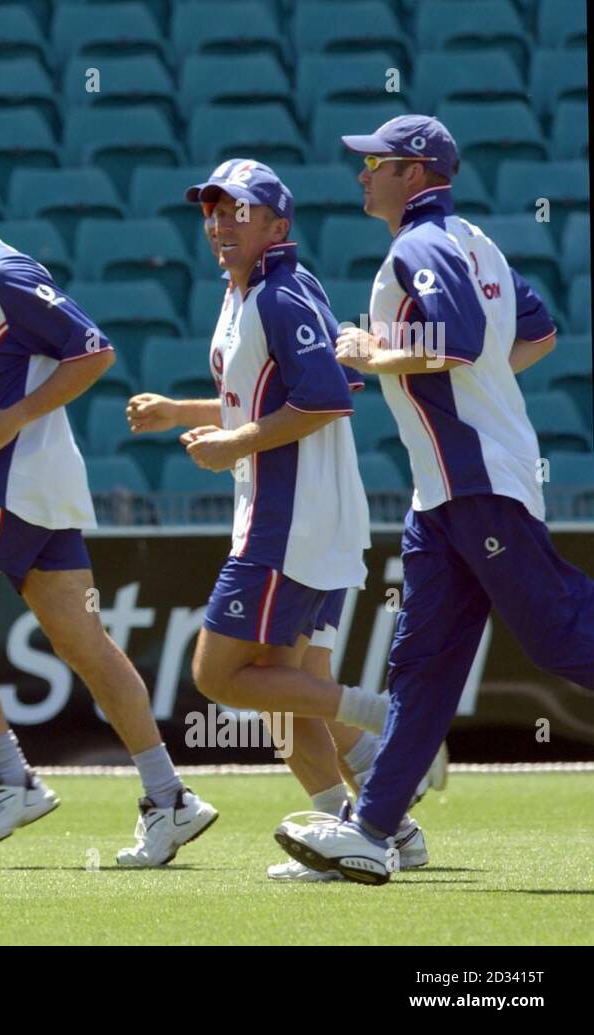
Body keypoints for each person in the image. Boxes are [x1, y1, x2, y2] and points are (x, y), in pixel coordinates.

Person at [0, 145, 217, 866]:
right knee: (84, 645)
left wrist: (14, 418)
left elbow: (93, 352)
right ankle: (170, 797)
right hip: (35, 486)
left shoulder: (6, 273)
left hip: (10, 483)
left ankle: (10, 778)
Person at [276, 115, 594, 884]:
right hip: (448, 491)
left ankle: (372, 826)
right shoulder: (475, 242)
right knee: (421, 667)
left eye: (376, 163)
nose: (363, 174)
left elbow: (455, 341)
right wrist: (480, 386)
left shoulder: (419, 245)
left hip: (478, 480)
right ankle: (371, 831)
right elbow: (538, 332)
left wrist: (371, 352)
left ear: (414, 172)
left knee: (557, 634)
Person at [127, 176, 438, 882]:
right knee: (287, 692)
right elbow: (258, 397)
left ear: (277, 226)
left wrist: (233, 446)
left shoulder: (279, 293)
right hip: (297, 517)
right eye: (213, 211)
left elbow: (328, 398)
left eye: (240, 212)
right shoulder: (245, 293)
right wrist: (181, 412)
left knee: (221, 674)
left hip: (290, 521)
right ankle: (372, 828)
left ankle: (389, 719)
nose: (220, 223)